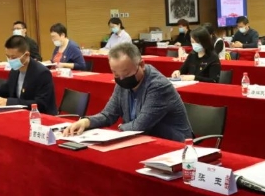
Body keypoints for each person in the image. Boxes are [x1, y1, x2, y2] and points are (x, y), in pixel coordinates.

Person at [62, 42, 193, 141]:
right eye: (115, 74)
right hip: (143, 139)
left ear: (141, 65)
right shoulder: (122, 81)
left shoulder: (158, 86)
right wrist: (86, 122)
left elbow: (139, 126)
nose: (121, 79)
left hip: (173, 143)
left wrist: (119, 128)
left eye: (126, 73)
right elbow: (108, 115)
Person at [0, 35, 57, 114]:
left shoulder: (42, 73)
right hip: (19, 114)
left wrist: (9, 102)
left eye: (14, 57)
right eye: (8, 56)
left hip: (39, 117)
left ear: (26, 55)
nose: (10, 60)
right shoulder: (15, 70)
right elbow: (3, 93)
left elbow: (41, 104)